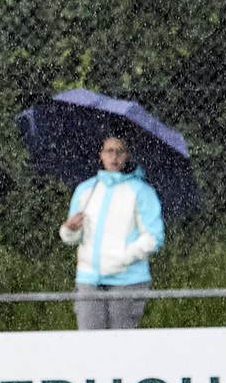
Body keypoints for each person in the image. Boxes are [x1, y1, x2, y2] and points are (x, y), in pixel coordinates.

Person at [59, 134, 164, 330]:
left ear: (127, 156)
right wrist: (69, 229)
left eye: (120, 151)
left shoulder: (141, 191)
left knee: (121, 347)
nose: (114, 157)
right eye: (109, 151)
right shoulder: (86, 190)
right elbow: (71, 237)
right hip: (89, 278)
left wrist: (122, 257)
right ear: (101, 155)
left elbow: (154, 237)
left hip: (128, 280)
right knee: (90, 345)